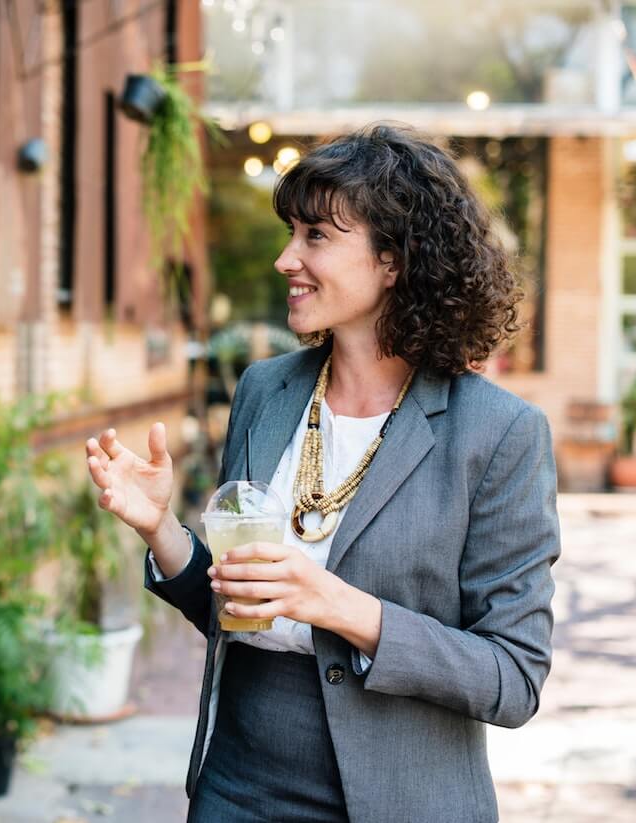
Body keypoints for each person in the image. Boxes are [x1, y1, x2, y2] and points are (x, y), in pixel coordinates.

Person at [86, 123, 560, 823]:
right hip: (237, 784)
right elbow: (231, 608)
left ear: (394, 261)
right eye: (291, 232)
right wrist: (162, 528)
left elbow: (513, 676)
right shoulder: (264, 391)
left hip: (402, 798)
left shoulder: (499, 434)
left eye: (315, 236)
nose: (286, 259)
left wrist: (340, 605)